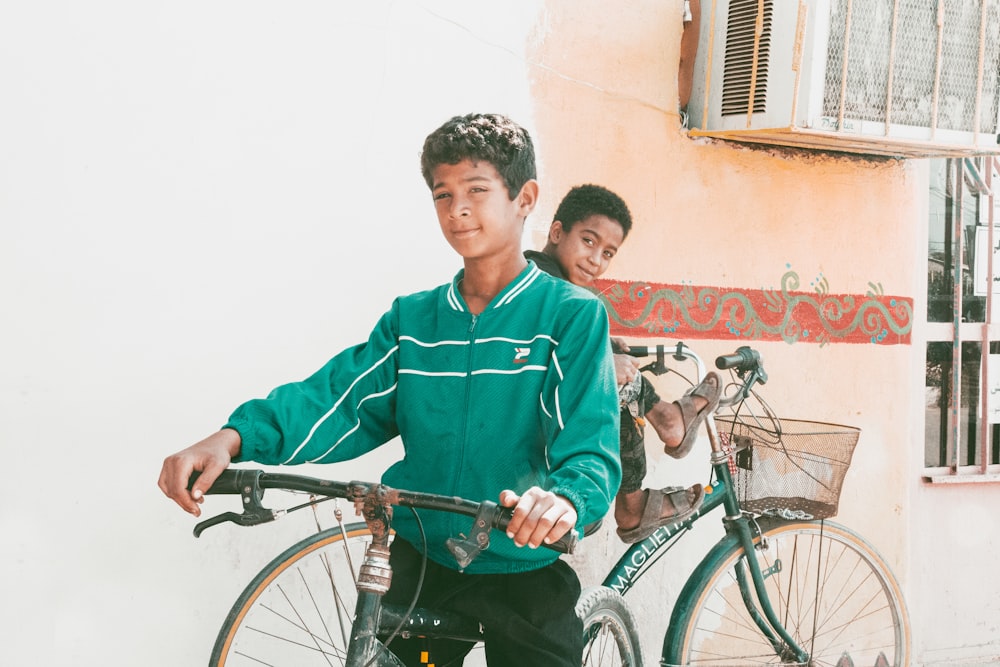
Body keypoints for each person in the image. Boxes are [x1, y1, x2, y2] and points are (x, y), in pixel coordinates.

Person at [157, 113, 621, 667]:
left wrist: (565, 499)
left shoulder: (569, 315)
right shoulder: (414, 319)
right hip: (422, 556)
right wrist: (233, 438)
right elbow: (337, 399)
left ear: (525, 198)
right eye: (442, 194)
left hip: (520, 563)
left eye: (477, 190)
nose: (458, 209)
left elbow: (590, 442)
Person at [525, 184, 720, 544]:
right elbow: (535, 349)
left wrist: (607, 348)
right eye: (588, 241)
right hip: (531, 419)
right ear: (556, 232)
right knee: (613, 386)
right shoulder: (543, 281)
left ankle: (666, 422)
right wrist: (601, 364)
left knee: (615, 366)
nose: (596, 260)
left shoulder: (555, 283)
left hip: (547, 413)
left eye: (608, 253)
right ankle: (635, 495)